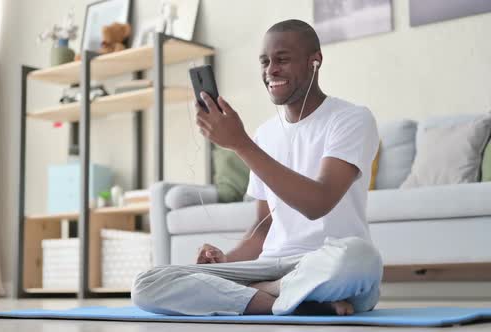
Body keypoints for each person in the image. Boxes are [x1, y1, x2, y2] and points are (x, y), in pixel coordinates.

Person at [131, 19, 382, 316]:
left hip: (325, 263)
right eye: (265, 62)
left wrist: (241, 144)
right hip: (269, 266)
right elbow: (263, 231)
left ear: (315, 61)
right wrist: (227, 260)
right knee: (148, 283)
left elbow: (319, 202)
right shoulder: (266, 134)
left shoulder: (351, 119)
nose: (271, 70)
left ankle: (267, 293)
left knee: (361, 258)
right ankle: (292, 303)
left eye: (282, 60)